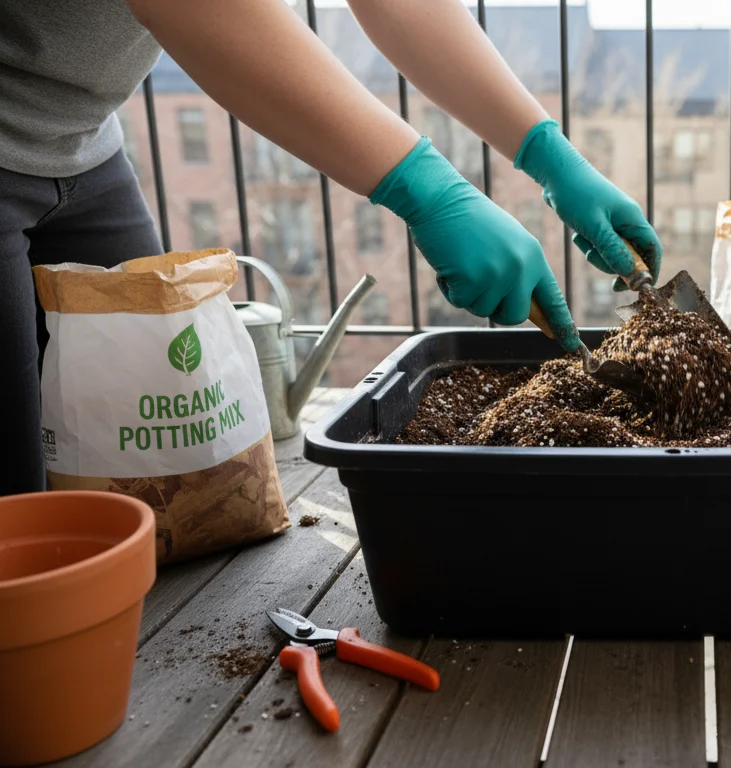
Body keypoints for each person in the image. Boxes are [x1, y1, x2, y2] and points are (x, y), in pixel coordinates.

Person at [0, 0, 661, 495]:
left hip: (82, 145)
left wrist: (547, 152)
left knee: (161, 469)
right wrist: (426, 188)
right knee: (20, 514)